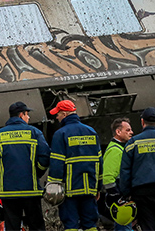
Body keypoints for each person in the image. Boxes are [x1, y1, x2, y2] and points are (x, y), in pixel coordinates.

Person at [0, 101, 51, 231]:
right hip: (31, 191)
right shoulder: (35, 133)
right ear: (21, 115)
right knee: (37, 226)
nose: (28, 117)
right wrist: (36, 172)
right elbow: (45, 157)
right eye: (27, 114)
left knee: (12, 227)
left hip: (9, 193)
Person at [48, 99, 101, 231]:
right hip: (89, 189)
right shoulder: (91, 132)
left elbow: (57, 163)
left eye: (58, 114)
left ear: (65, 114)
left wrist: (53, 187)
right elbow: (99, 163)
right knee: (90, 224)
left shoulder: (60, 134)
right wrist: (98, 187)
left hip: (69, 191)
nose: (57, 117)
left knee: (71, 224)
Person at [101, 118, 133, 231]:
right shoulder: (115, 150)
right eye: (128, 130)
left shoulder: (120, 148)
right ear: (118, 132)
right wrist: (117, 197)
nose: (131, 132)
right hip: (119, 201)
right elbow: (108, 177)